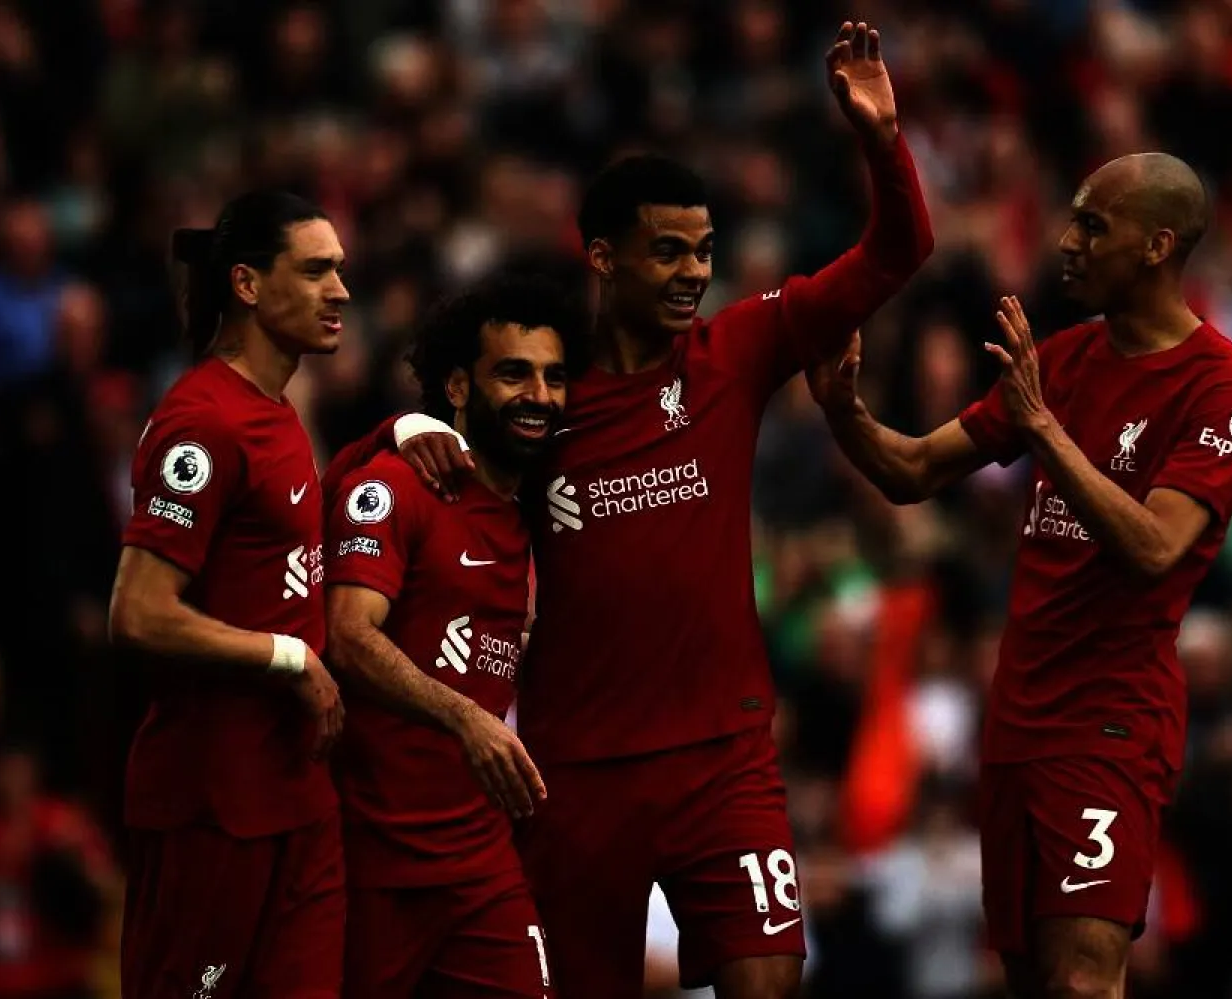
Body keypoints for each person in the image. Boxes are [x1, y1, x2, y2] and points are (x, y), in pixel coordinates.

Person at [391, 21, 932, 998]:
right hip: (577, 773)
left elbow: (899, 251)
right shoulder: (539, 397)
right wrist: (406, 428)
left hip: (726, 759)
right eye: (669, 252)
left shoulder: (737, 353)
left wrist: (883, 142)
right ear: (604, 257)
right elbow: (424, 435)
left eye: (704, 252)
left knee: (770, 981)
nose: (692, 273)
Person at [807, 152, 1232, 998]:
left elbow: (1155, 547)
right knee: (1030, 979)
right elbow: (913, 470)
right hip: (1017, 720)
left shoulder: (1222, 385)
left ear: (1158, 245)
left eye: (1094, 225)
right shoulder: (1061, 359)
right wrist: (846, 412)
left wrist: (1045, 430)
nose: (1066, 241)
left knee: (1084, 979)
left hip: (1111, 721)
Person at [107, 189, 350, 999]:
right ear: (246, 283)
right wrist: (288, 656)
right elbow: (138, 612)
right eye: (314, 270)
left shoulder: (277, 413)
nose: (340, 290)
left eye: (338, 269)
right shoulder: (203, 422)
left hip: (296, 796)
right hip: (212, 802)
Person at [321, 270, 587, 998]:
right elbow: (346, 635)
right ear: (460, 387)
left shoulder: (535, 519)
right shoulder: (401, 486)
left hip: (481, 863)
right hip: (373, 861)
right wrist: (467, 718)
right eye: (514, 373)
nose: (539, 395)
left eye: (554, 377)